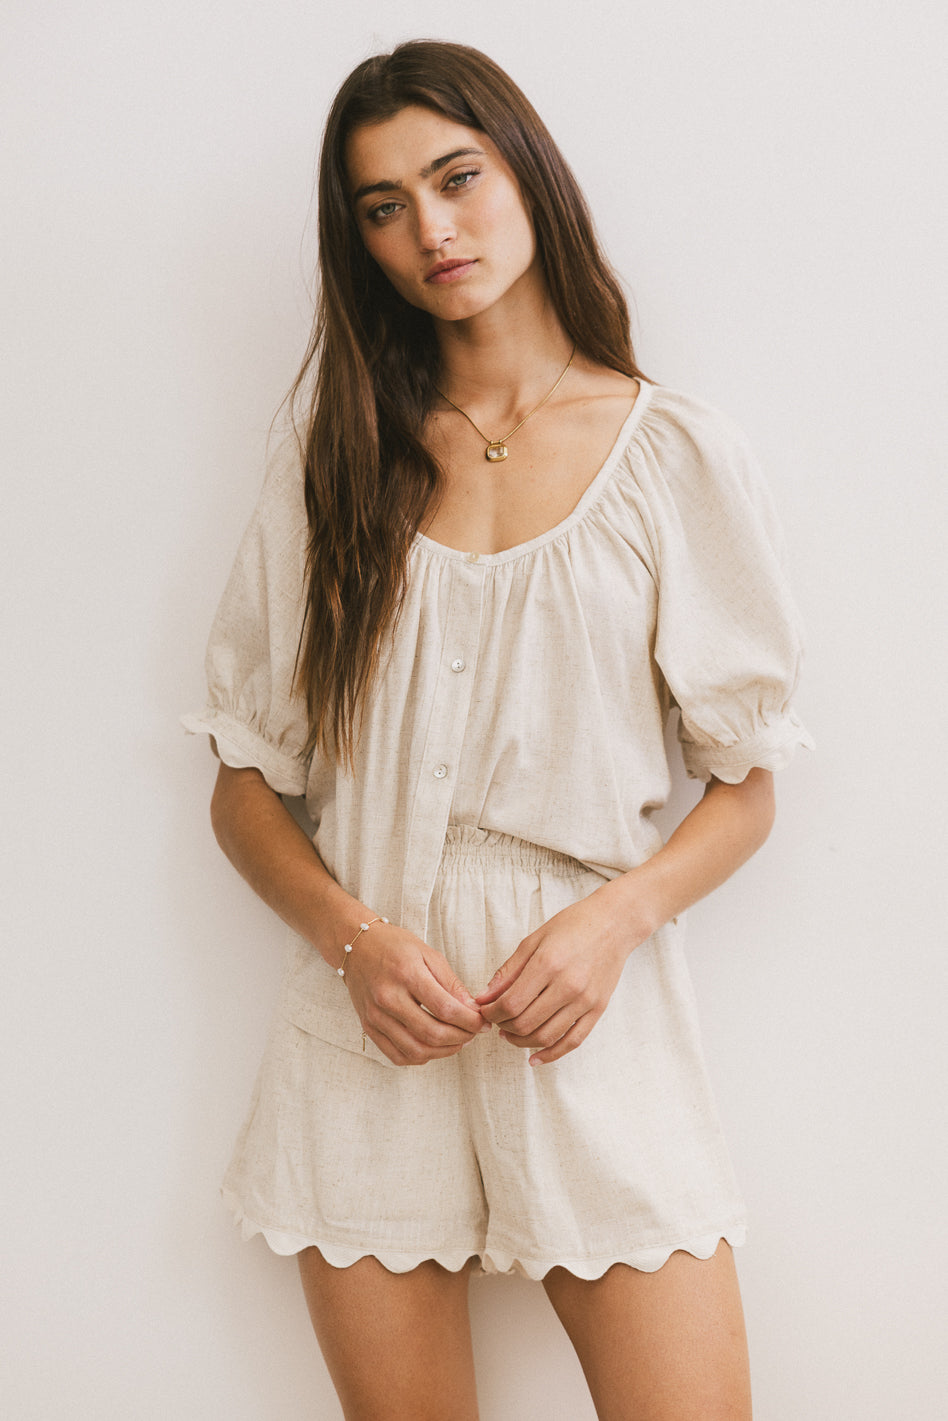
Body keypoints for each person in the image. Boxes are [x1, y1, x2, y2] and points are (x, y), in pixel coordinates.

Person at [183, 39, 811, 1421]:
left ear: (526, 172)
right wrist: (353, 942)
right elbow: (242, 782)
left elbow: (747, 782)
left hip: (586, 1015)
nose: (431, 228)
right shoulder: (339, 456)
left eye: (456, 177)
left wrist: (615, 921)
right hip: (368, 1027)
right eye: (384, 205)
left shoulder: (671, 455)